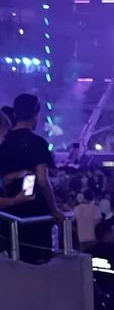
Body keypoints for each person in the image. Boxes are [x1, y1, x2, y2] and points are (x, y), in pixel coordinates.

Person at [0, 94, 64, 263]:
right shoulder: (38, 143)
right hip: (34, 213)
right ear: (36, 114)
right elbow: (42, 180)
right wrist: (54, 209)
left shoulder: (4, 141)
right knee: (38, 263)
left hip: (6, 215)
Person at [73, 187, 101, 252]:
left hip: (81, 238)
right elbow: (98, 225)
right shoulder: (96, 209)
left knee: (83, 256)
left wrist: (76, 230)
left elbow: (71, 221)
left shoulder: (76, 208)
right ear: (93, 197)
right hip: (93, 238)